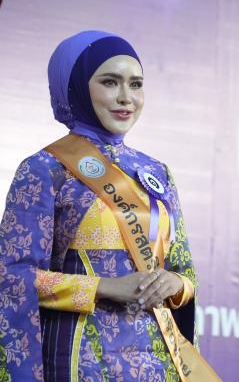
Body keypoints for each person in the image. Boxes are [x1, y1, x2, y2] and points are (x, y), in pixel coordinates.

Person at [0, 30, 198, 381]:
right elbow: (13, 278)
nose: (126, 97)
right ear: (76, 86)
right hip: (81, 361)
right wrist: (103, 286)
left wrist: (174, 283)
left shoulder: (157, 173)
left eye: (136, 84)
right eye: (110, 82)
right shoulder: (46, 169)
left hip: (159, 363)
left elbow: (185, 273)